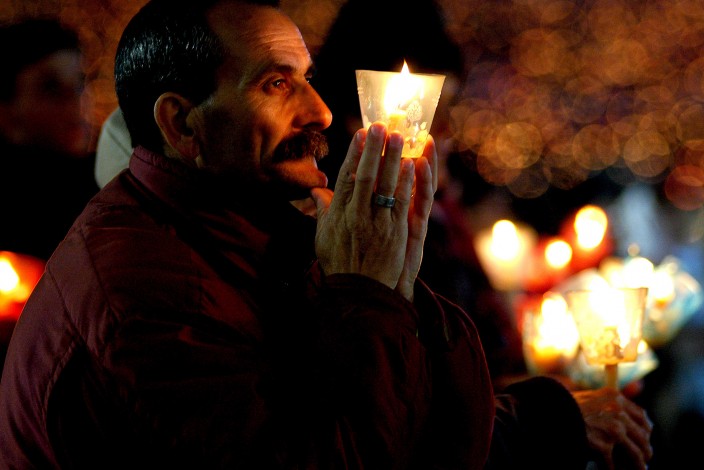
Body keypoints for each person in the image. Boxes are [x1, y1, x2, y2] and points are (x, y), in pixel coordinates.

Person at [0, 1, 652, 468]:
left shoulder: (249, 224)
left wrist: (402, 274)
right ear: (182, 124)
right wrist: (367, 290)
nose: (319, 111)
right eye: (276, 84)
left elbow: (390, 400)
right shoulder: (140, 288)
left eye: (307, 78)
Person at [0, 18, 100, 262]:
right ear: (7, 112)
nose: (75, 102)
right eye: (51, 88)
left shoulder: (113, 183)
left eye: (79, 84)